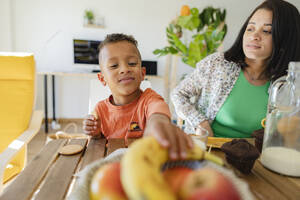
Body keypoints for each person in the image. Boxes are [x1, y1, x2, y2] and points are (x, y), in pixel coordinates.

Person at [171, 0, 300, 138]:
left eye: (267, 31)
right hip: (207, 152)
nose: (254, 36)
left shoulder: (288, 84)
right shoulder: (217, 64)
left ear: (286, 39)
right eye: (250, 28)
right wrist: (200, 123)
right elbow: (178, 94)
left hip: (254, 157)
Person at [83, 33, 193, 159]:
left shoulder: (150, 100)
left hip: (144, 162)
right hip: (110, 165)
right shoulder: (100, 109)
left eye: (132, 63)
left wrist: (158, 123)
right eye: (114, 66)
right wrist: (95, 133)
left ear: (142, 73)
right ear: (102, 78)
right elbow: (96, 144)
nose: (124, 69)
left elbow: (158, 112)